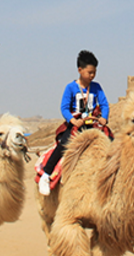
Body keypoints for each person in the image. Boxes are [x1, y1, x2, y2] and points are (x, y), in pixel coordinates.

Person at [38, 50, 110, 196]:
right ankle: (46, 175)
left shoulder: (96, 87)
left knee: (111, 142)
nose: (92, 75)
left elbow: (104, 104)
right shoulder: (70, 88)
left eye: (94, 72)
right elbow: (64, 108)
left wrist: (105, 117)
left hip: (94, 125)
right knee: (63, 145)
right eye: (89, 72)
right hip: (76, 125)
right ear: (80, 70)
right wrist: (73, 120)